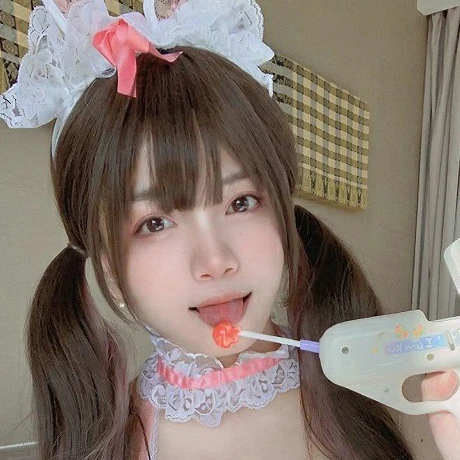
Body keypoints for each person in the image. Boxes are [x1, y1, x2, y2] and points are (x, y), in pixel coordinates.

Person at [0, 0, 458, 458]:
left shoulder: (399, 393)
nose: (216, 260)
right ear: (109, 272)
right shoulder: (111, 442)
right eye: (155, 223)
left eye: (242, 202)